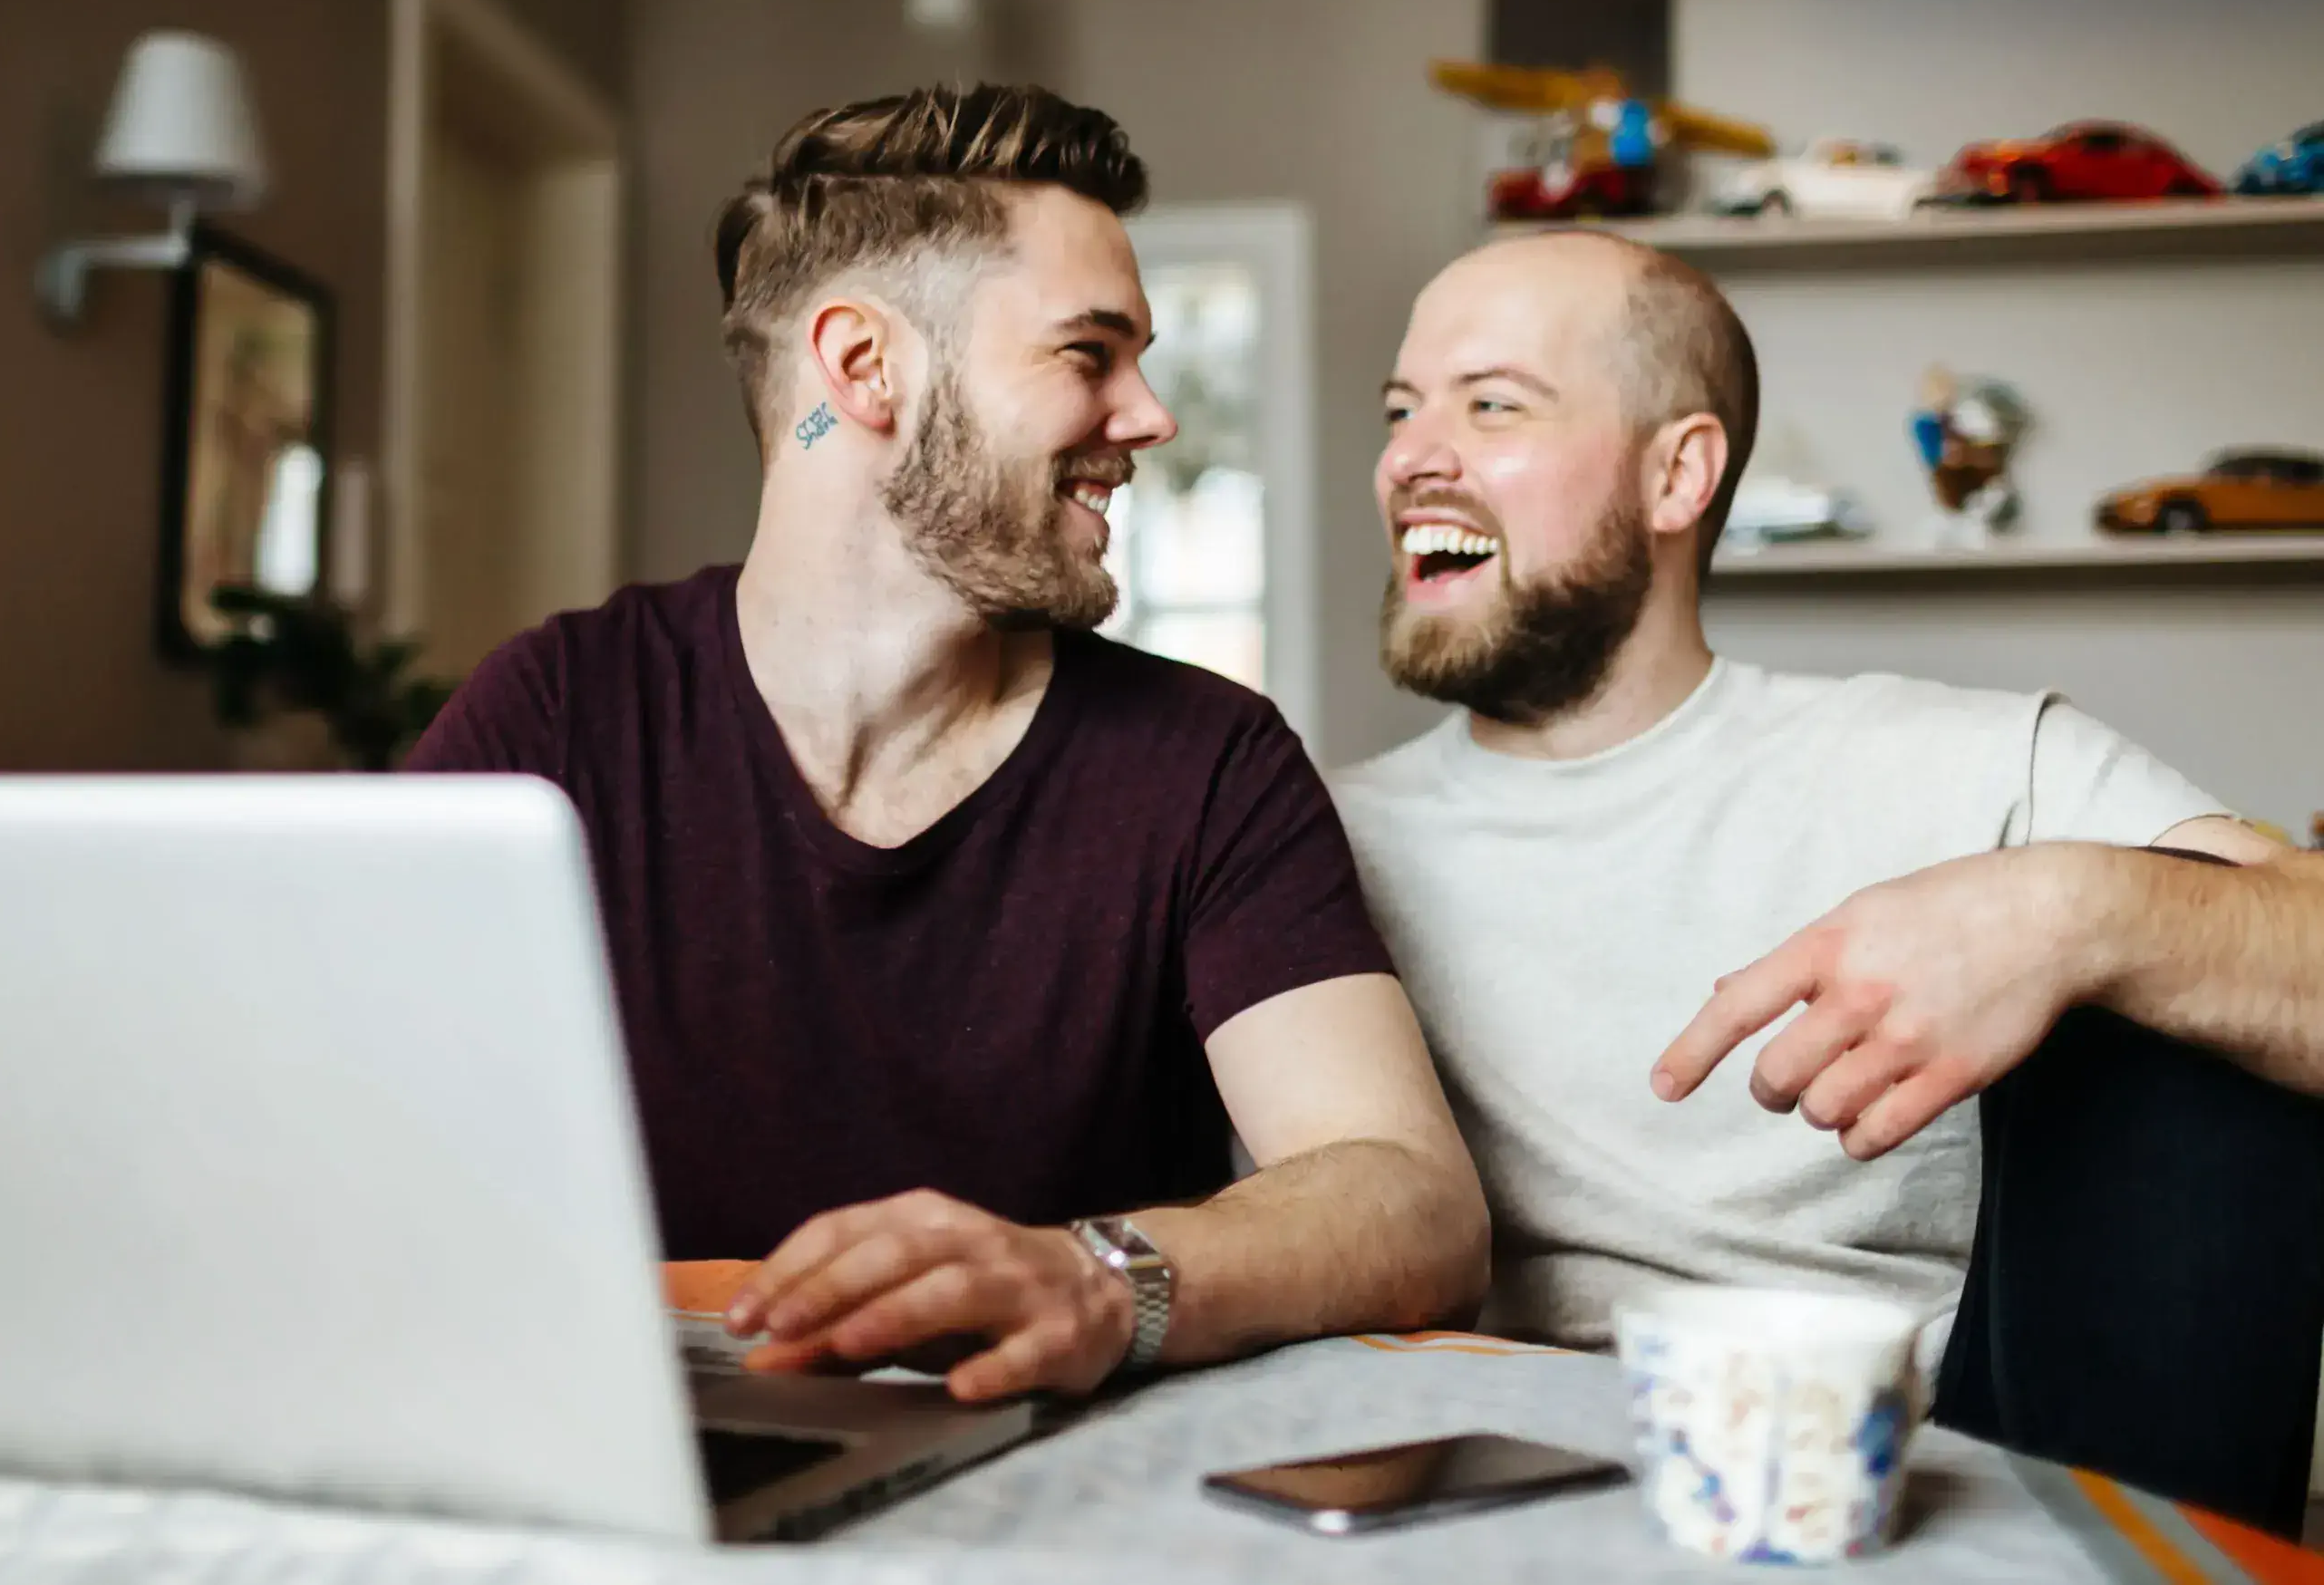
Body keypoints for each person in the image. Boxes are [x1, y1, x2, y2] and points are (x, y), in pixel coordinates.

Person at [410, 84, 1488, 1406]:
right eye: (1090, 352)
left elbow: (1413, 1196)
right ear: (863, 368)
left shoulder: (1206, 763)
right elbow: (323, 1105)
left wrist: (1100, 1280)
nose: (1149, 415)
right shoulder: (560, 716)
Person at [1333, 228, 2324, 1531]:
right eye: (1401, 411)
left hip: (1902, 1501)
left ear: (1678, 472)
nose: (1412, 456)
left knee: (2199, 979)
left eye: (1493, 403)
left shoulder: (1970, 767)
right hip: (1473, 1497)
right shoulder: (1297, 840)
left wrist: (2075, 908)